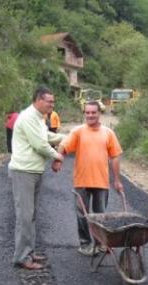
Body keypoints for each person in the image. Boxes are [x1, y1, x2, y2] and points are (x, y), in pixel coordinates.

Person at [52, 101, 123, 256]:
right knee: (82, 215)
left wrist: (117, 180)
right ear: (85, 114)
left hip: (101, 181)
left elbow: (115, 157)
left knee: (100, 215)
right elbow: (64, 145)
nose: (90, 115)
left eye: (93, 112)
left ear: (99, 114)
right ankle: (85, 244)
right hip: (82, 181)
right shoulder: (78, 131)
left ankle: (100, 244)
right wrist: (58, 159)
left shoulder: (108, 133)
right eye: (88, 113)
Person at [8, 87, 65, 270]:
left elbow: (46, 136)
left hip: (34, 171)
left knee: (31, 215)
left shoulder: (39, 118)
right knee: (24, 216)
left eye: (53, 102)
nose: (52, 105)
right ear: (38, 100)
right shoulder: (28, 117)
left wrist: (69, 137)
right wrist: (58, 156)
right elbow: (40, 145)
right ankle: (22, 257)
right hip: (23, 172)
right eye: (49, 101)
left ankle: (29, 252)